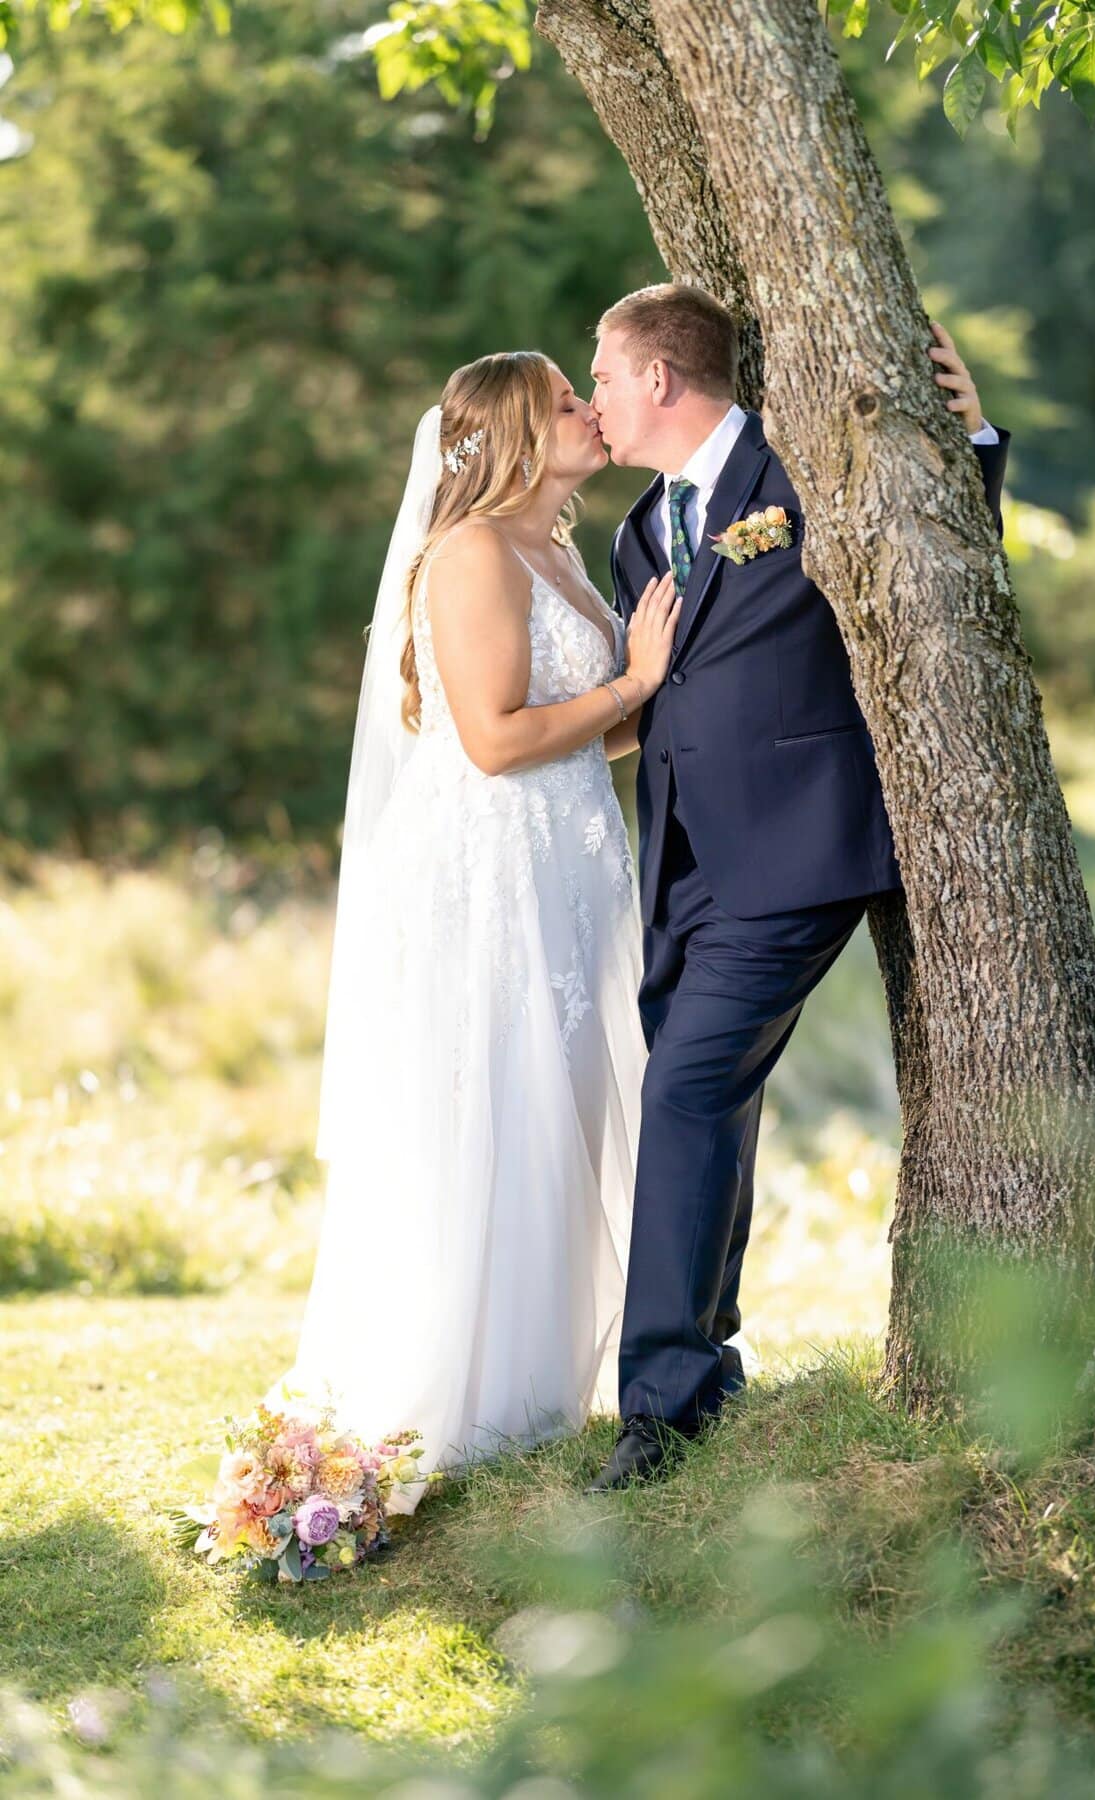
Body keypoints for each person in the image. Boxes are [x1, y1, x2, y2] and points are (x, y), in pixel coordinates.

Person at [585, 285, 1008, 1491]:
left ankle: (660, 1411)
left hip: (798, 849)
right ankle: (706, 1369)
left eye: (605, 376)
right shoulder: (635, 533)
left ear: (662, 377)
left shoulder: (794, 464)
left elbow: (932, 569)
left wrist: (968, 451)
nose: (597, 400)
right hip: (684, 866)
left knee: (686, 1092)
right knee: (706, 1104)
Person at [266, 350, 679, 1509]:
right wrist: (636, 685)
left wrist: (640, 707)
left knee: (566, 1107)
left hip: (568, 860)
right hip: (486, 873)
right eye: (563, 401)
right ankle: (464, 1398)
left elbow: (582, 733)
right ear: (507, 433)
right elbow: (496, 741)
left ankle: (541, 1388)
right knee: (491, 1107)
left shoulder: (557, 549)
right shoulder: (469, 554)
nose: (589, 411)